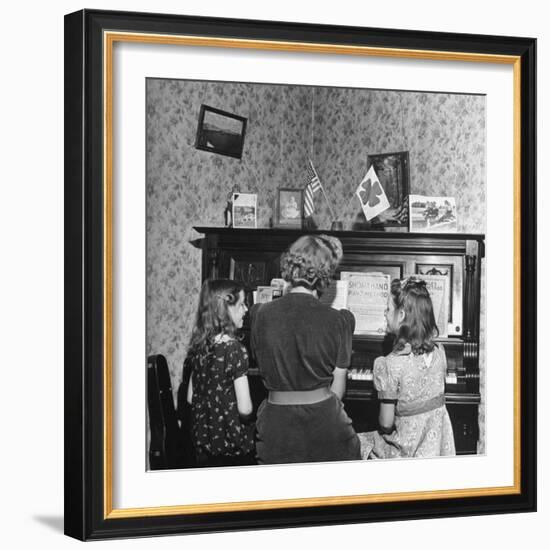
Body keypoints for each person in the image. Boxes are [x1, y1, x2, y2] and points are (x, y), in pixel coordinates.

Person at [250, 234, 360, 464]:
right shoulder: (340, 320)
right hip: (326, 429)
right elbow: (337, 392)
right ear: (324, 273)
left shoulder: (259, 314)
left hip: (275, 431)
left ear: (291, 266)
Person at [359, 277, 456, 459]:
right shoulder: (440, 353)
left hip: (405, 452)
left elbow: (386, 424)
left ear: (402, 315)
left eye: (388, 309)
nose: (385, 314)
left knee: (359, 442)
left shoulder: (389, 364)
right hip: (437, 451)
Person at [182, 279, 255, 467]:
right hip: (232, 447)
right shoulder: (235, 349)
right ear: (225, 310)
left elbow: (190, 398)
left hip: (203, 444)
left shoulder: (199, 347)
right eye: (241, 304)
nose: (246, 310)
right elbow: (245, 409)